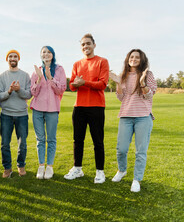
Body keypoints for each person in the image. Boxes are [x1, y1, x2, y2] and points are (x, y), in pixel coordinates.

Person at [109, 49, 157, 192]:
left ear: (142, 60)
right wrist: (118, 83)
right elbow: (121, 98)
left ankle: (137, 179)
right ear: (127, 59)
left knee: (140, 151)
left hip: (143, 117)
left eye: (137, 57)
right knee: (121, 149)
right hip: (126, 116)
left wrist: (142, 82)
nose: (134, 59)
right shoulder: (123, 75)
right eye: (131, 57)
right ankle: (122, 170)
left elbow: (150, 95)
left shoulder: (147, 74)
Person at [64, 33, 109, 184]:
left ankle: (100, 172)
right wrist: (77, 84)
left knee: (98, 141)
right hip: (79, 107)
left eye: (88, 43)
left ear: (94, 45)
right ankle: (78, 168)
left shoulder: (102, 62)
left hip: (96, 107)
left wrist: (84, 83)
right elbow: (71, 86)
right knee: (78, 140)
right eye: (83, 44)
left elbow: (102, 84)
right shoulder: (77, 64)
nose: (85, 46)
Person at [30, 46, 66, 179]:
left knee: (51, 139)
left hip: (52, 109)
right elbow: (33, 92)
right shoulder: (36, 71)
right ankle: (41, 166)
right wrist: (39, 79)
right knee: (40, 139)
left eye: (48, 52)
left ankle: (49, 167)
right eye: (43, 52)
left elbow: (61, 90)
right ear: (41, 55)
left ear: (53, 54)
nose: (46, 54)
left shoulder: (59, 69)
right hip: (37, 110)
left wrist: (50, 78)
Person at [0, 50, 32, 178]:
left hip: (21, 115)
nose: (13, 58)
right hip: (6, 114)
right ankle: (7, 168)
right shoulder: (2, 76)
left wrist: (19, 90)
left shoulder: (25, 75)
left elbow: (28, 94)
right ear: (7, 59)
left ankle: (21, 165)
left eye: (15, 56)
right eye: (10, 56)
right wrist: (10, 91)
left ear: (18, 59)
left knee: (22, 143)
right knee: (5, 143)